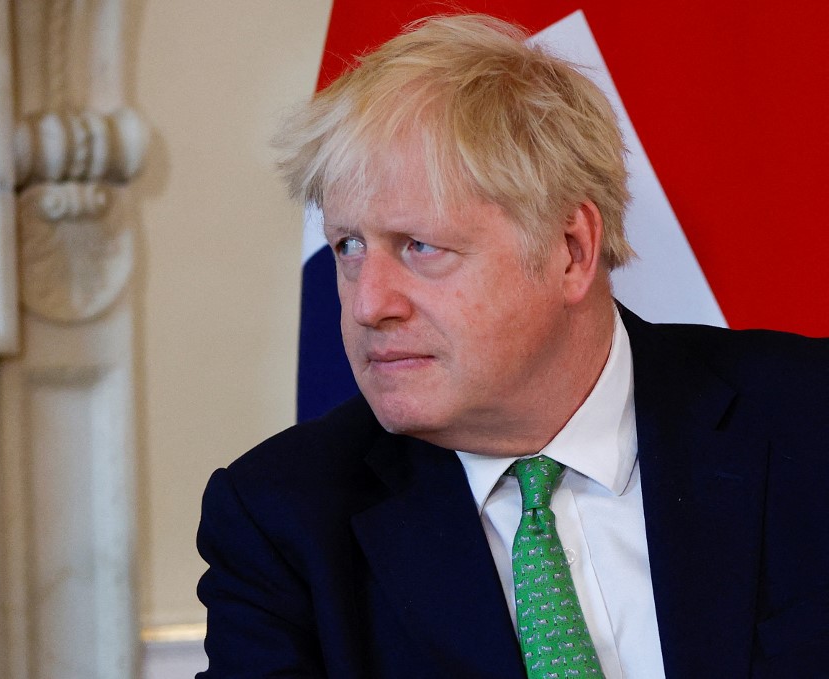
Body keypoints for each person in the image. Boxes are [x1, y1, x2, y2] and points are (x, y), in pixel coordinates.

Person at [196, 14, 829, 678]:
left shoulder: (807, 422)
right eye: (348, 247)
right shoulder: (283, 520)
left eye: (420, 247)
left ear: (571, 249)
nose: (366, 303)